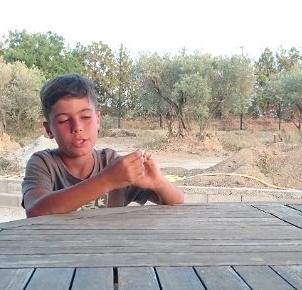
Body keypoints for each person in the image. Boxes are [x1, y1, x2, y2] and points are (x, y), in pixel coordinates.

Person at [22, 73, 184, 217]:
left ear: (98, 121)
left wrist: (158, 183)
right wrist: (107, 180)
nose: (77, 127)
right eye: (63, 120)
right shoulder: (43, 163)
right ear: (48, 129)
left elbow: (176, 202)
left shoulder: (112, 162)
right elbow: (36, 209)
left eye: (85, 117)